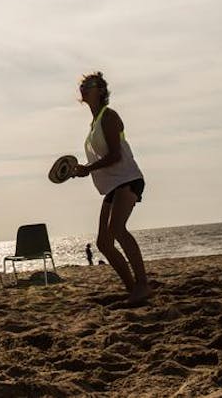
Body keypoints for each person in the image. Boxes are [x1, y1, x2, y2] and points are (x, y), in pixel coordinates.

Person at [70, 72, 152, 305]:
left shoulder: (109, 116)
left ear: (101, 91)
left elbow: (116, 155)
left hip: (127, 179)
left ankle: (143, 285)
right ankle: (133, 289)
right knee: (103, 243)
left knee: (117, 230)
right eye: (83, 85)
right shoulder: (94, 122)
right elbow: (103, 157)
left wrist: (88, 168)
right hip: (113, 186)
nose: (84, 88)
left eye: (90, 85)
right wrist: (83, 169)